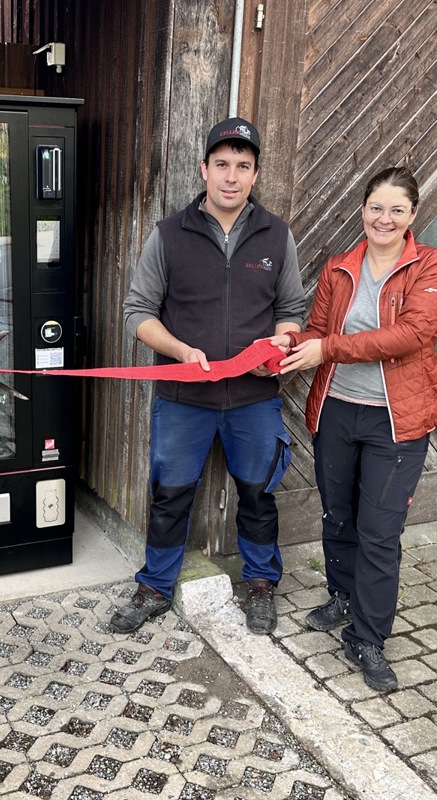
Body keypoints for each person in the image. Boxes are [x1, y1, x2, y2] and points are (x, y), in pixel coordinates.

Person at [116, 117, 309, 636]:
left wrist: (282, 340)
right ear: (204, 169)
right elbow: (137, 313)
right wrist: (179, 350)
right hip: (183, 395)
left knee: (257, 492)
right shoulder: (168, 235)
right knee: (171, 493)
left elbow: (292, 307)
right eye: (221, 164)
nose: (231, 176)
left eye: (242, 166)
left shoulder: (276, 235)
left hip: (254, 396)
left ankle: (261, 582)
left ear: (255, 174)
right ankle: (154, 586)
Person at [292, 166, 437, 692]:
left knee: (380, 532)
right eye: (376, 208)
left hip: (397, 419)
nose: (384, 219)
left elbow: (410, 335)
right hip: (337, 409)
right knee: (338, 514)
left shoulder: (432, 265)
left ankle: (369, 636)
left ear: (412, 216)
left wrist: (327, 348)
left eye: (397, 210)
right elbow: (318, 332)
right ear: (363, 210)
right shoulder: (340, 268)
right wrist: (290, 346)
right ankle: (342, 596)